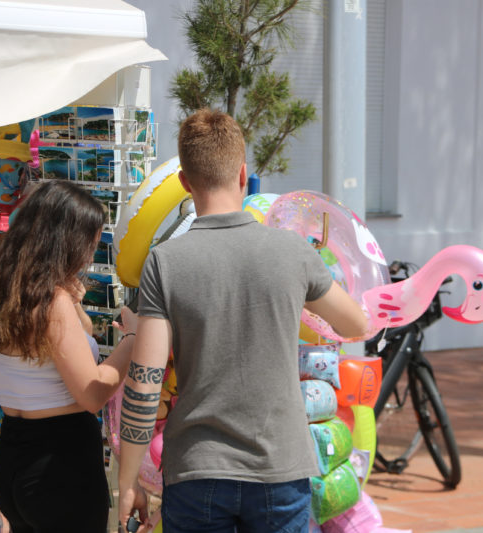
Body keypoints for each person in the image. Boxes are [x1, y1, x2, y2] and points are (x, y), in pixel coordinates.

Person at [117, 109, 368, 533]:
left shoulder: (165, 262)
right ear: (243, 174)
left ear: (184, 183)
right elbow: (354, 324)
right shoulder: (292, 251)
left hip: (197, 470)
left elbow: (146, 381)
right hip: (280, 469)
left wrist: (126, 482)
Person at [0, 179, 136, 533]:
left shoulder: (0, 290)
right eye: (91, 240)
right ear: (66, 239)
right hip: (61, 464)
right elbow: (91, 392)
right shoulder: (50, 301)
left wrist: (74, 301)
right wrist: (133, 340)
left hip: (15, 453)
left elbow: (71, 343)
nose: (91, 253)